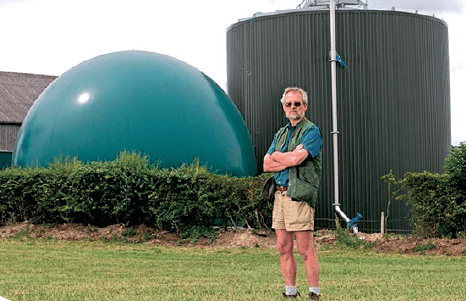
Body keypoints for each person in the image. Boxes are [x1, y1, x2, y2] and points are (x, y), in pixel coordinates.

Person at [263, 87, 322, 300]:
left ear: (305, 106)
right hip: (279, 195)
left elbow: (298, 160)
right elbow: (266, 164)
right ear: (283, 107)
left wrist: (279, 157)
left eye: (297, 104)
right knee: (282, 247)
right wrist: (284, 156)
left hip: (298, 195)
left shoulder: (311, 131)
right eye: (288, 104)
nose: (293, 108)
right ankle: (290, 292)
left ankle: (314, 293)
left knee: (305, 248)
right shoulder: (281, 133)